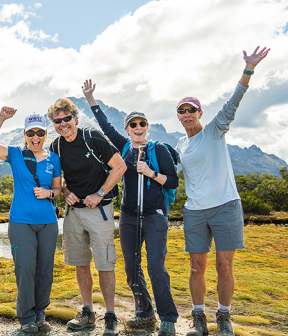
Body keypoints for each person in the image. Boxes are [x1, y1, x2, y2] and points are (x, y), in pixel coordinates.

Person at [176, 46, 270, 336]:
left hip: (226, 206)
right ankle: (199, 318)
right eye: (182, 111)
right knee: (196, 267)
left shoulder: (214, 130)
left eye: (192, 109)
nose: (187, 114)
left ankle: (225, 317)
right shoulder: (180, 145)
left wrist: (248, 70)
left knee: (224, 265)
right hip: (194, 211)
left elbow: (233, 103)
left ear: (200, 112)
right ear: (178, 116)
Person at [83, 80, 179, 336]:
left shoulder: (158, 149)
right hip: (128, 217)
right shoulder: (124, 146)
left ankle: (168, 317)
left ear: (147, 127)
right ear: (127, 129)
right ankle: (144, 312)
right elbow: (105, 125)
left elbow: (173, 180)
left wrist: (151, 172)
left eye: (142, 124)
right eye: (133, 125)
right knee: (131, 266)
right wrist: (91, 99)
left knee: (155, 266)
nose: (138, 128)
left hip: (155, 217)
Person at [48, 98, 126, 336]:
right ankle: (88, 312)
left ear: (75, 118)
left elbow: (120, 166)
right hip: (74, 213)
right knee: (81, 264)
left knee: (104, 263)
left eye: (66, 119)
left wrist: (99, 193)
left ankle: (110, 315)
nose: (63, 124)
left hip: (100, 210)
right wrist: (67, 192)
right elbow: (57, 179)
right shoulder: (56, 147)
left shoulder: (92, 138)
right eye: (57, 121)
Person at [0, 109, 62, 334]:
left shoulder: (54, 159)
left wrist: (50, 194)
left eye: (39, 132)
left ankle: (40, 315)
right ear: (24, 134)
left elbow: (58, 189)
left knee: (45, 271)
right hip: (21, 223)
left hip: (48, 222)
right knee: (25, 269)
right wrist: (1, 118)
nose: (35, 137)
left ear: (46, 134)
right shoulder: (16, 154)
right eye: (31, 133)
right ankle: (26, 317)